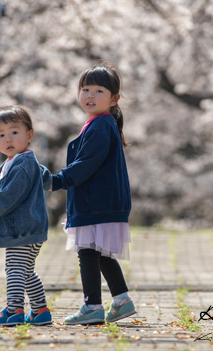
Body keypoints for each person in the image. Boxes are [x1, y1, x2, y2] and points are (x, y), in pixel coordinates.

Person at [50, 62, 136, 325]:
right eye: (85, 89)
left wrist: (59, 180)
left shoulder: (100, 125)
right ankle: (121, 300)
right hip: (104, 201)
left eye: (99, 90)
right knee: (102, 253)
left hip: (95, 201)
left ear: (114, 99)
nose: (90, 95)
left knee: (88, 252)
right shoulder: (100, 124)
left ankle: (92, 306)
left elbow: (86, 163)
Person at [0, 105, 52, 326]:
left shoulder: (21, 165)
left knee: (14, 268)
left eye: (14, 132)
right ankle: (40, 310)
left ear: (29, 135)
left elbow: (8, 197)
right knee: (26, 271)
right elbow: (45, 178)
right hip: (32, 227)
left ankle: (14, 309)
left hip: (20, 228)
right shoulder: (21, 161)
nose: (8, 138)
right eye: (1, 135)